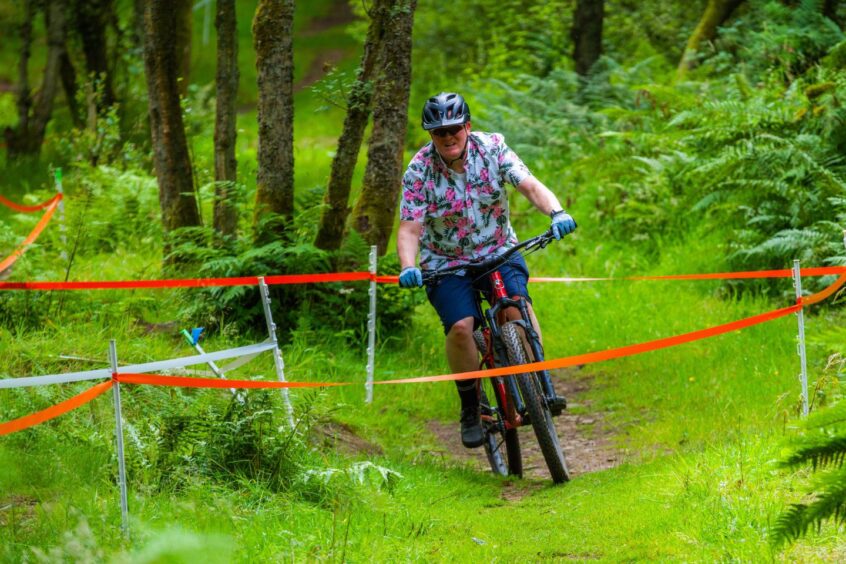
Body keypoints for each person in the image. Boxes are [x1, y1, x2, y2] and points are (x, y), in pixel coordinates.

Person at [396, 92, 577, 448]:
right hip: (447, 263)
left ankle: (538, 378)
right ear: (430, 135)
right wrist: (407, 266)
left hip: (498, 249)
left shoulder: (493, 148)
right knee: (462, 328)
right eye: (439, 132)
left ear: (467, 126)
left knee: (516, 306)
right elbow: (409, 229)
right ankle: (471, 405)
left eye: (454, 130)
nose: (448, 138)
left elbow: (529, 185)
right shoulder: (419, 171)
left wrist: (557, 212)